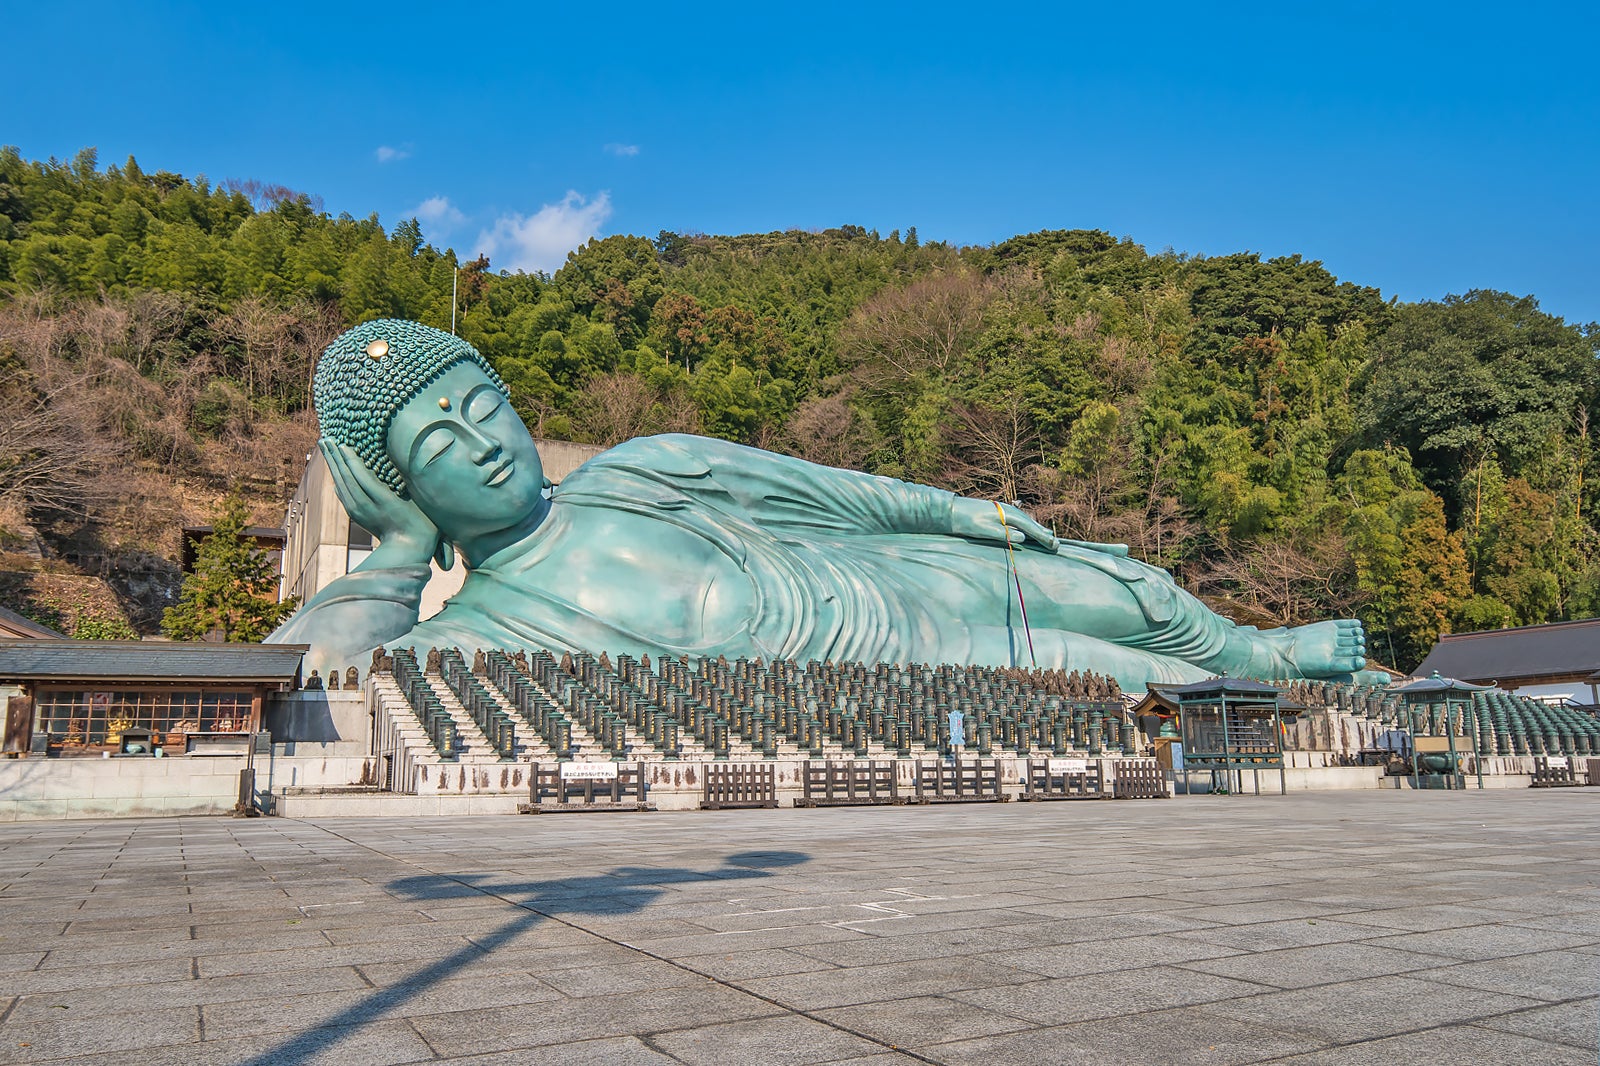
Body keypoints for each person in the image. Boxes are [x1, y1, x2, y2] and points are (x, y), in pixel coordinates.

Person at [272, 320, 1370, 691]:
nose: (485, 445)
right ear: (400, 483)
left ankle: (1265, 651)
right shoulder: (475, 628)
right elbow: (312, 673)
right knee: (1148, 678)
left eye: (484, 405)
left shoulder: (641, 466)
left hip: (875, 576)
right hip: (886, 665)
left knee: (1121, 588)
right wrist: (397, 556)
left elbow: (833, 491)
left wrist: (962, 512)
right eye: (438, 444)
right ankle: (1265, 684)